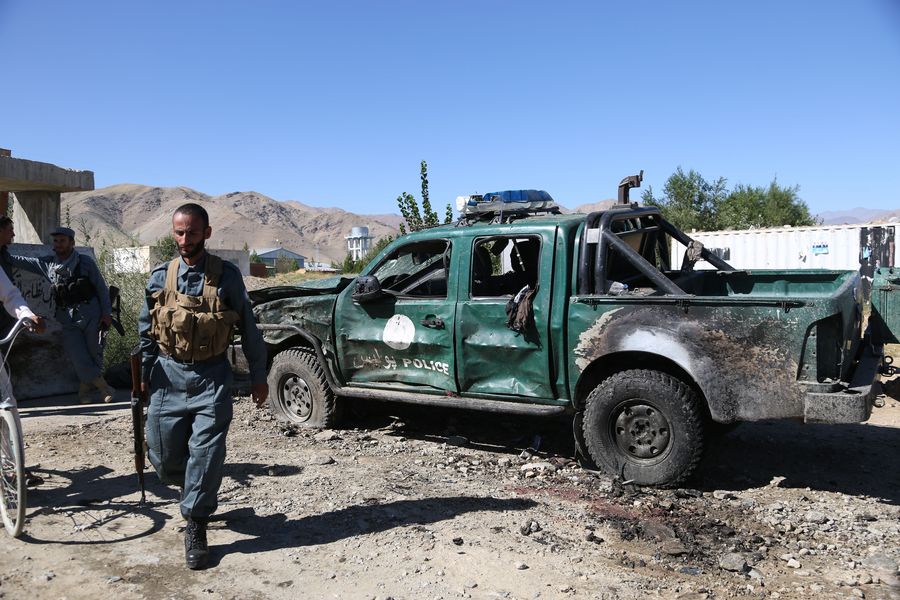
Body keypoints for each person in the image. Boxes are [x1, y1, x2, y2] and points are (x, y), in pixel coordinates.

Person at [138, 203, 268, 570]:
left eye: (192, 232)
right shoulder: (160, 277)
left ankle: (196, 522)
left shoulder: (227, 277)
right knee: (163, 459)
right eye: (179, 232)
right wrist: (143, 375)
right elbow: (145, 330)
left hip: (212, 377)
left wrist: (258, 376)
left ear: (206, 233)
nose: (185, 239)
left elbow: (249, 329)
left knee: (207, 453)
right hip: (167, 377)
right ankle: (193, 485)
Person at [9, 226, 114, 403]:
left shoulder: (85, 262)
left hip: (91, 314)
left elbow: (101, 289)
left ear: (72, 243)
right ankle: (104, 388)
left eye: (62, 241)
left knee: (94, 352)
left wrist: (106, 313)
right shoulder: (48, 264)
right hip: (67, 318)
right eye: (56, 241)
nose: (58, 244)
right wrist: (3, 252)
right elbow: (21, 261)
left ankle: (84, 391)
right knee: (77, 355)